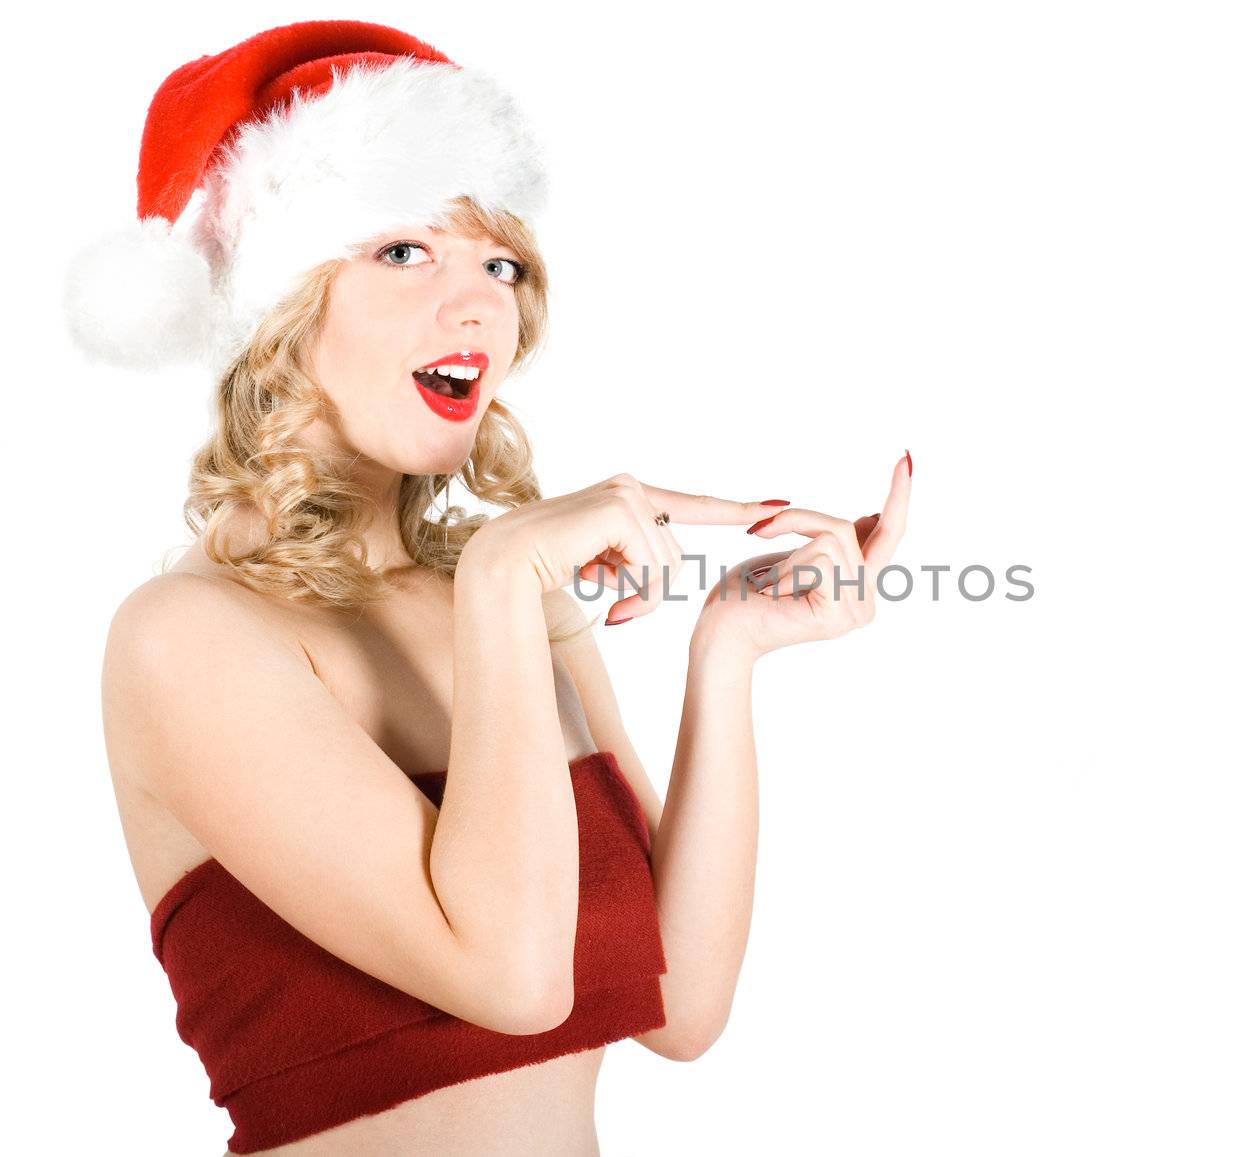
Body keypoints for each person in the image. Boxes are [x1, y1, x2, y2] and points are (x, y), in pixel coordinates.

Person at [67, 19, 911, 1157]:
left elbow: (680, 1003)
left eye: (500, 262)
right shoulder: (189, 636)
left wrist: (729, 650)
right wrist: (507, 579)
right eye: (407, 251)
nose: (480, 304)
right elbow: (509, 978)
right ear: (278, 306)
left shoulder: (508, 601)